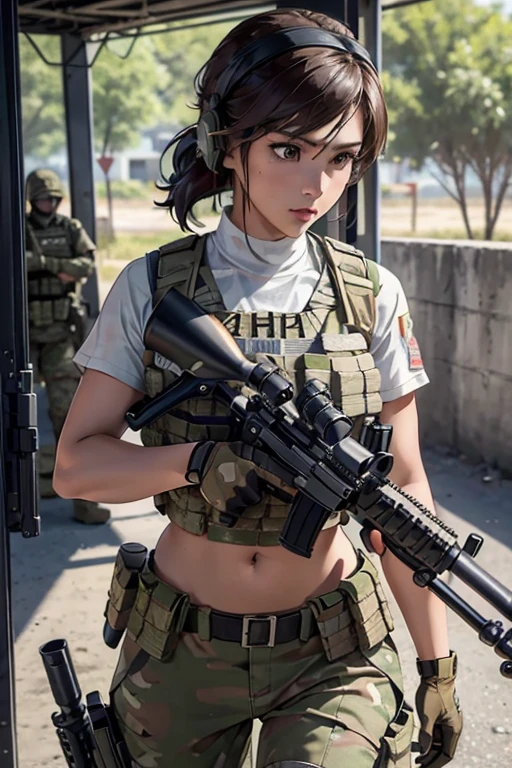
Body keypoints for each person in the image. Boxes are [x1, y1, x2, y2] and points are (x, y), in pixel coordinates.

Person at [53, 9, 463, 767]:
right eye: (288, 149)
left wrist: (437, 664)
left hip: (331, 651)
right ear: (228, 145)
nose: (317, 184)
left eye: (340, 159)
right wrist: (196, 465)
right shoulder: (153, 287)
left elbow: (405, 492)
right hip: (181, 646)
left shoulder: (372, 294)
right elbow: (77, 465)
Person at [25, 168, 110, 524]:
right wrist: (52, 268)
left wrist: (43, 263)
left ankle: (83, 502)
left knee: (67, 417)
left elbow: (85, 265)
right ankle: (30, 491)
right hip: (23, 336)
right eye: (43, 197)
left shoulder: (70, 227)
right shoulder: (18, 228)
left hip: (60, 335)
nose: (49, 203)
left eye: (53, 198)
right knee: (17, 420)